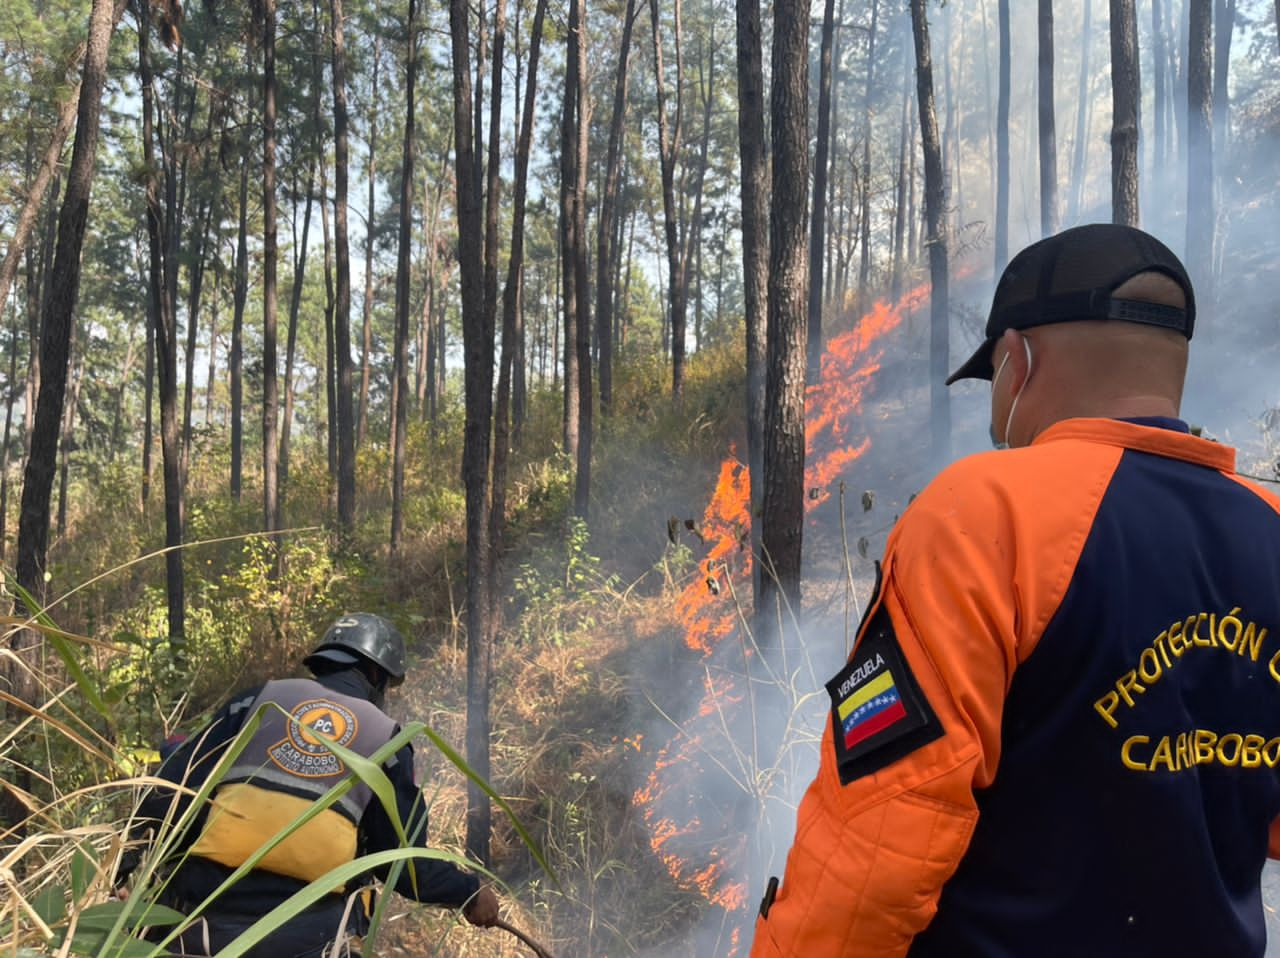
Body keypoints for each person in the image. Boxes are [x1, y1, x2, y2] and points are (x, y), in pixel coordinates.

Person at [749, 223, 1280, 957]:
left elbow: (880, 840)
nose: (997, 414)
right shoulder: (1270, 527)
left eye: (993, 382)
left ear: (1017, 361)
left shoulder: (984, 512)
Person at [116, 612, 499, 957]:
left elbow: (172, 787)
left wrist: (120, 867)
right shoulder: (388, 740)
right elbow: (405, 865)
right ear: (378, 676)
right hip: (309, 940)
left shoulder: (257, 700)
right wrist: (467, 892)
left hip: (196, 924)